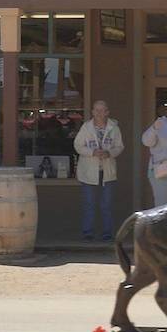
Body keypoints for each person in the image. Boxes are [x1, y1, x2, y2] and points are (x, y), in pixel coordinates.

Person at [74, 100, 125, 241]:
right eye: (96, 110)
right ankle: (88, 232)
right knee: (89, 203)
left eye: (102, 110)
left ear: (107, 112)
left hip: (107, 171)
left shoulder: (114, 128)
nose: (99, 113)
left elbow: (119, 146)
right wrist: (92, 152)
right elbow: (78, 145)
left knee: (106, 204)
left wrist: (109, 153)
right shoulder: (86, 127)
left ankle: (107, 233)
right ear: (92, 112)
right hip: (89, 172)